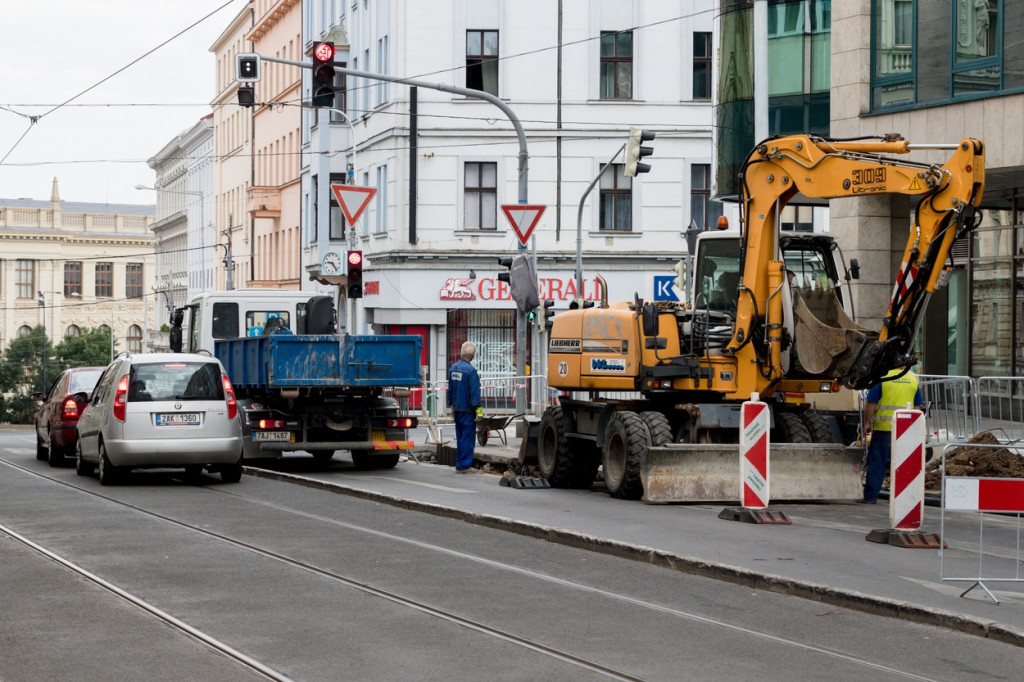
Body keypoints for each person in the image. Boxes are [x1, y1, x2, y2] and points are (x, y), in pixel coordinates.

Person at [860, 367, 923, 503]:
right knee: (904, 463)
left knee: (878, 463)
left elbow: (871, 403)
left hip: (884, 429)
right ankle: (905, 498)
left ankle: (871, 496)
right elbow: (917, 407)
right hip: (905, 429)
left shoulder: (882, 377)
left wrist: (866, 423)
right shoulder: (912, 379)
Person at [447, 341, 482, 472]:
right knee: (467, 438)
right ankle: (464, 466)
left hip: (457, 408)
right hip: (468, 410)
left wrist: (451, 404)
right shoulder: (471, 371)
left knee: (460, 437)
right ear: (472, 355)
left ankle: (460, 463)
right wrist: (478, 409)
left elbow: (450, 390)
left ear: (462, 353)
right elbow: (474, 392)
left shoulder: (453, 368)